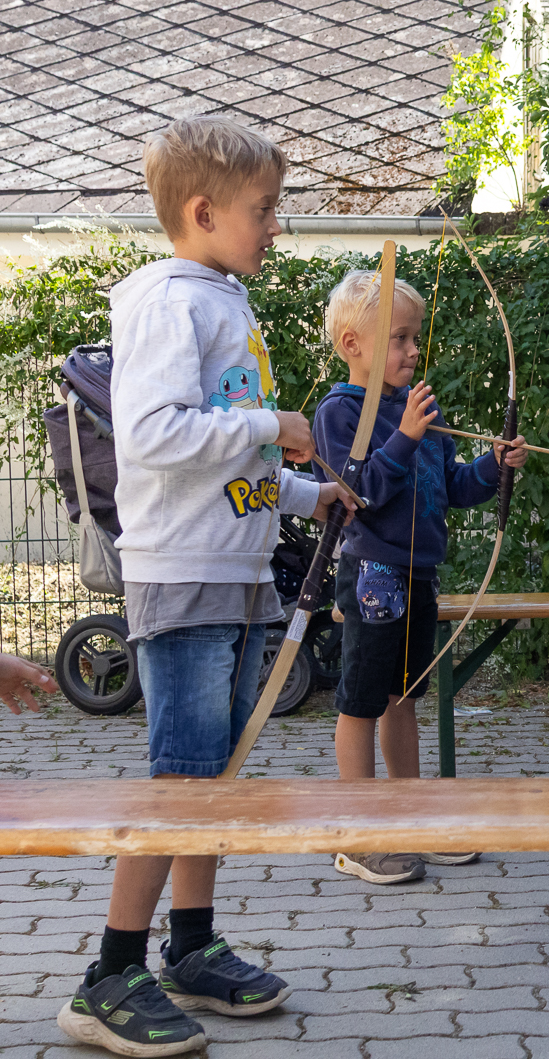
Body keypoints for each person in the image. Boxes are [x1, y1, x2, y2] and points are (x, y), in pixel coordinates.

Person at [61, 115, 357, 1057]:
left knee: (214, 777)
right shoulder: (165, 301)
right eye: (264, 210)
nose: (276, 226)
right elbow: (153, 435)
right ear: (203, 212)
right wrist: (273, 423)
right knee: (182, 780)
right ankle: (109, 974)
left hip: (234, 573)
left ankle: (189, 946)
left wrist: (308, 493)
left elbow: (233, 459)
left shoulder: (224, 299)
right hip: (184, 577)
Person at [312, 270, 529, 886]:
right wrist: (405, 436)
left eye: (415, 338)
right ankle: (360, 834)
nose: (412, 351)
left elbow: (451, 486)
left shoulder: (419, 411)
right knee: (361, 700)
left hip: (419, 572)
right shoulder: (341, 412)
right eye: (400, 338)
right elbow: (357, 494)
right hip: (374, 573)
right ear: (353, 345)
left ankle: (407, 818)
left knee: (403, 696)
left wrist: (491, 465)